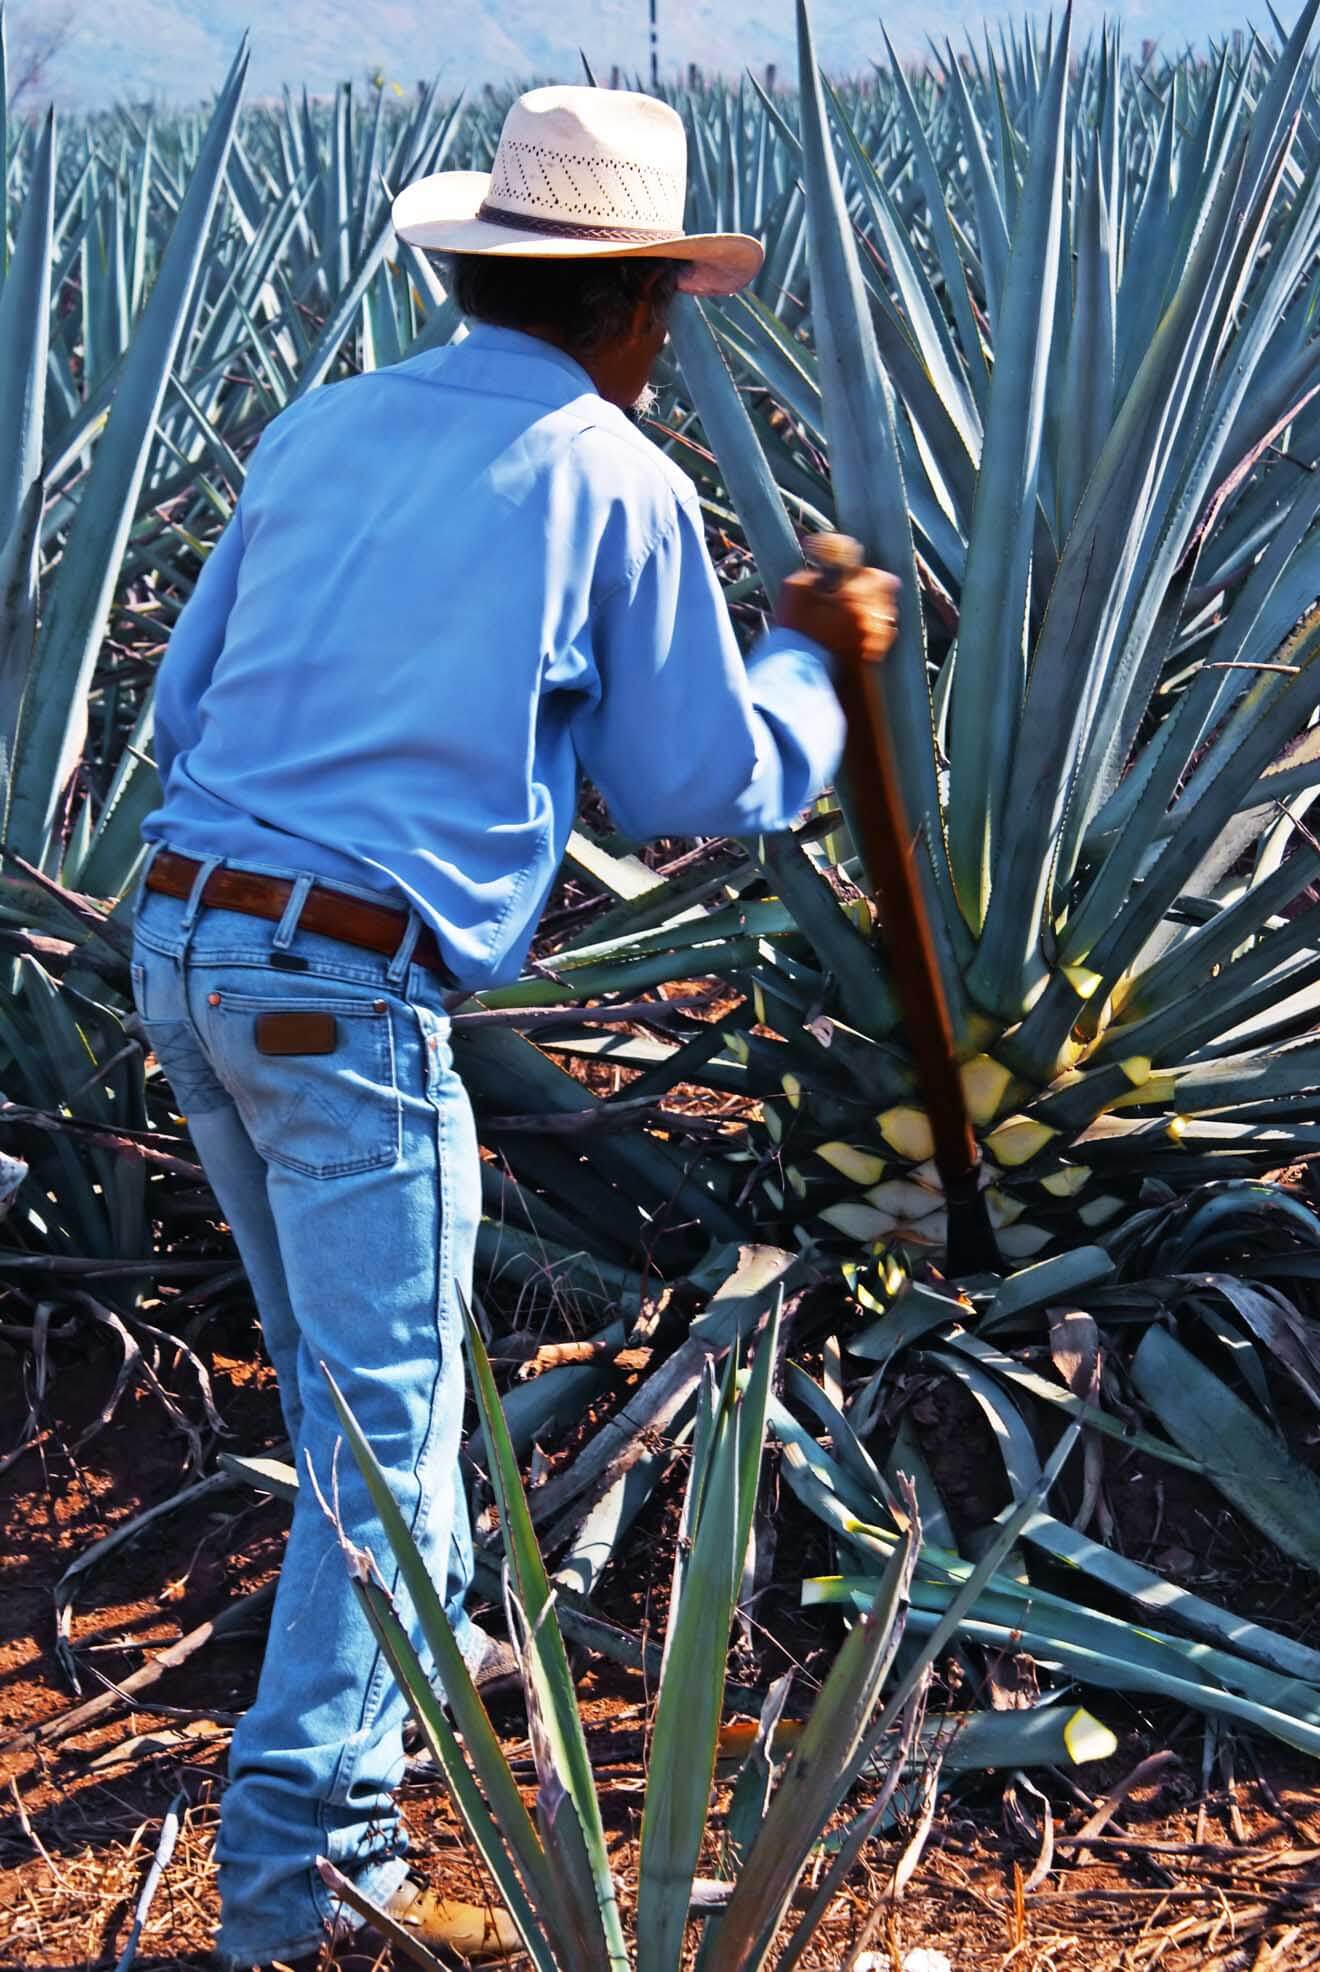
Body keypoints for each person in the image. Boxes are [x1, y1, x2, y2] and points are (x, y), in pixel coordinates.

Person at [131, 83, 898, 1972]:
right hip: (346, 996)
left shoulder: (323, 428)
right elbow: (691, 785)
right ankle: (300, 1888)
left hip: (183, 948)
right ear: (641, 307)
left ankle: (392, 1732)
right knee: (388, 1436)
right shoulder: (613, 476)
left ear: (477, 276)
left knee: (342, 1385)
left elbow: (180, 703)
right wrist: (821, 667)